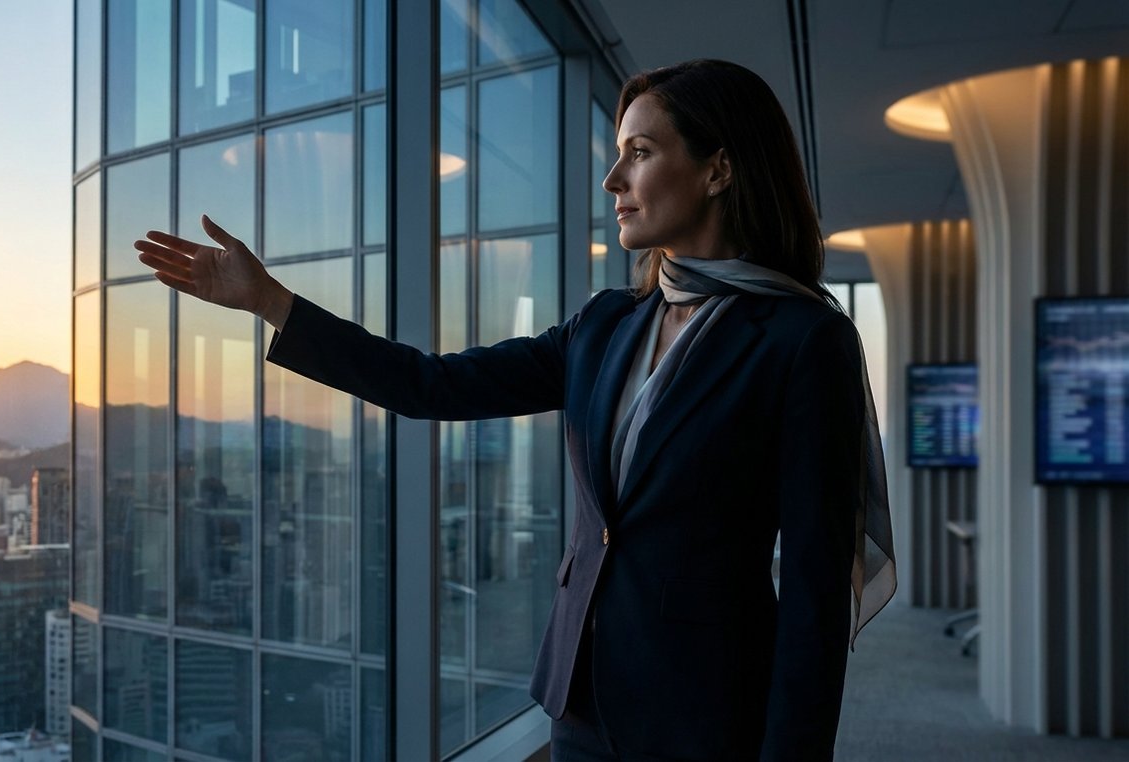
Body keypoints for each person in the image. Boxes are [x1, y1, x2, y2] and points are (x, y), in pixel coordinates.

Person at [136, 59, 896, 761]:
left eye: (639, 152)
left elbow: (814, 597)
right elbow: (427, 385)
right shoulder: (605, 325)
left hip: (707, 713)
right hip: (579, 702)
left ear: (718, 169)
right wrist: (271, 303)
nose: (611, 179)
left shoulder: (802, 341)